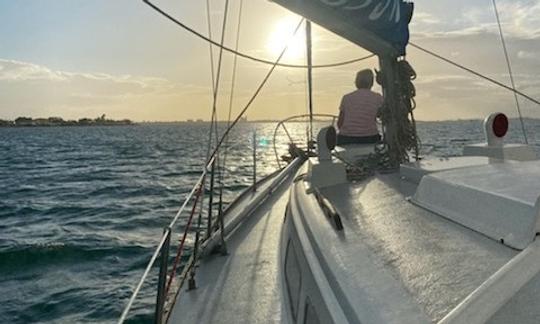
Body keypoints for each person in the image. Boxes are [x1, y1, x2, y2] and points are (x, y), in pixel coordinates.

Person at [337, 69, 384, 145]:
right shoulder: (378, 98)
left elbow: (340, 123)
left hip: (346, 138)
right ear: (371, 82)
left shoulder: (346, 98)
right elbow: (382, 116)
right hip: (370, 138)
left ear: (356, 82)